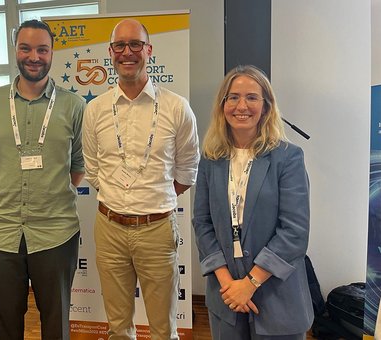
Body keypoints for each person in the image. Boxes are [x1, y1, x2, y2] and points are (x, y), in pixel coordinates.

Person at [82, 18, 200, 340]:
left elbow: (188, 169)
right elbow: (92, 169)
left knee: (163, 330)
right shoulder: (95, 110)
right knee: (118, 329)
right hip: (109, 231)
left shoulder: (177, 108)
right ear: (111, 52)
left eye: (135, 44)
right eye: (120, 45)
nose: (128, 52)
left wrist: (154, 198)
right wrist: (119, 197)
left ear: (149, 50)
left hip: (157, 231)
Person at [0, 19, 86, 340]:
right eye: (26, 48)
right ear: (16, 50)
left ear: (52, 53)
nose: (33, 56)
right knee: (4, 328)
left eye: (41, 49)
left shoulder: (74, 106)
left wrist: (52, 195)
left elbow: (78, 164)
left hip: (55, 234)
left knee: (56, 326)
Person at [192, 64, 313, 339]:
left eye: (251, 97)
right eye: (233, 97)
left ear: (267, 106)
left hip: (276, 297)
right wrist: (229, 285)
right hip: (226, 297)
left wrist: (250, 283)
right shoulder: (211, 158)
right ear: (223, 105)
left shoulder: (288, 157)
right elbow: (202, 223)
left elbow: (294, 232)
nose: (241, 105)